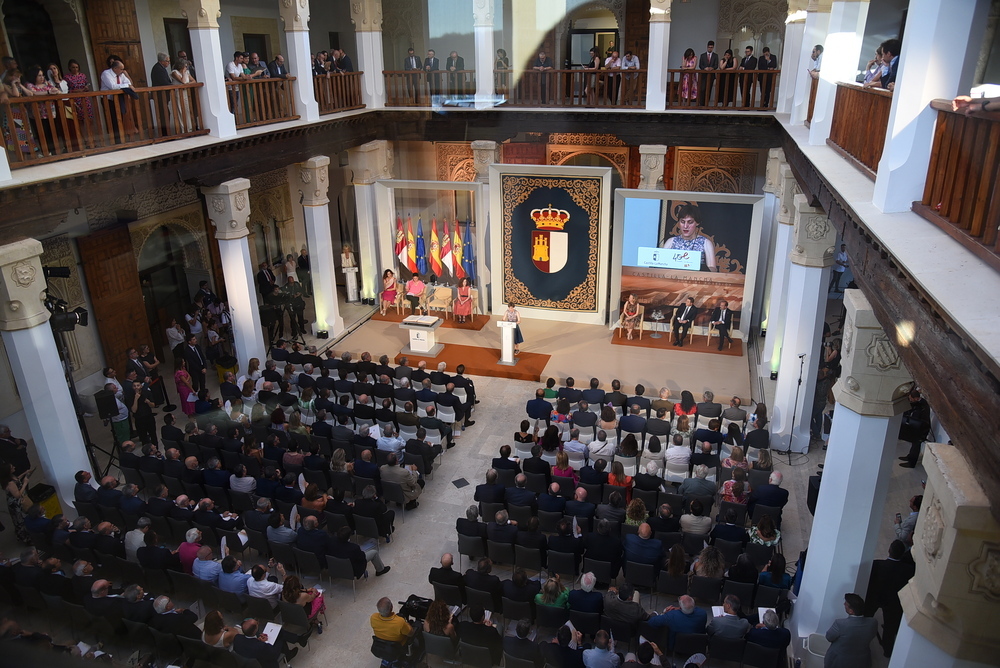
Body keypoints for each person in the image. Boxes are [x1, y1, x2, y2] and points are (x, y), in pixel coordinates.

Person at [864, 540, 915, 657]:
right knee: (889, 628)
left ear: (889, 550)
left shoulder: (877, 565)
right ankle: (888, 651)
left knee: (867, 617)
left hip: (875, 597)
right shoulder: (908, 570)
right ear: (902, 554)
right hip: (894, 602)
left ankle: (863, 639)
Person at [824, 593, 878, 668]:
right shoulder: (873, 622)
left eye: (846, 604)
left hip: (839, 660)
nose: (844, 604)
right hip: (862, 661)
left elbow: (829, 637)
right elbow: (872, 635)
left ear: (851, 611)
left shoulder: (840, 624)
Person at [662, 204, 717, 272]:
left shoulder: (706, 243)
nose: (685, 226)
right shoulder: (671, 242)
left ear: (697, 223)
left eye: (690, 222)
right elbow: (661, 267)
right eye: (682, 222)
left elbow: (712, 270)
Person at [898, 389, 930, 468]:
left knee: (916, 445)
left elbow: (918, 416)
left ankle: (912, 462)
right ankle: (909, 456)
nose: (910, 400)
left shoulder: (922, 405)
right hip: (918, 427)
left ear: (915, 398)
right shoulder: (919, 403)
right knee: (914, 443)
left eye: (911, 399)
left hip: (921, 429)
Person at [1, 463, 32, 543]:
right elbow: (17, 495)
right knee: (21, 520)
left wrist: (25, 473)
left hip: (17, 502)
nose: (14, 467)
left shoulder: (11, 477)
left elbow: (17, 479)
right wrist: (25, 483)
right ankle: (26, 538)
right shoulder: (10, 483)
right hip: (16, 504)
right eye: (12, 467)